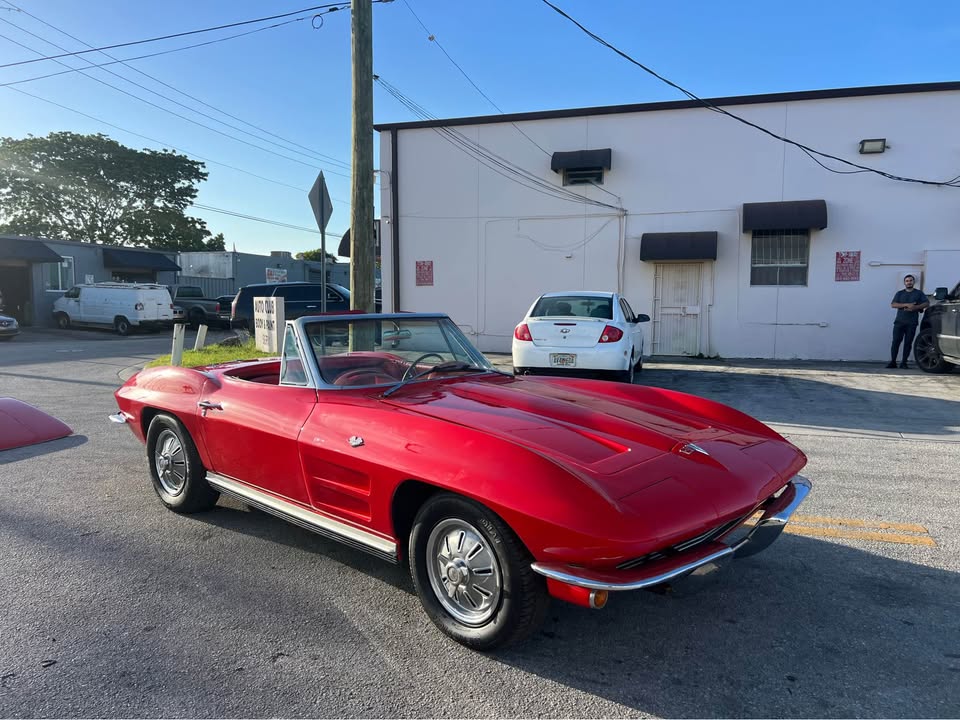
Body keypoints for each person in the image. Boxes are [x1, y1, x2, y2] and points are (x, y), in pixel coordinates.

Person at [887, 274, 928, 369]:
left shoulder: (919, 293)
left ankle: (904, 363)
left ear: (913, 282)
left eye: (911, 280)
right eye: (907, 281)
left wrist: (915, 307)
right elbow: (893, 304)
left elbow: (926, 303)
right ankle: (893, 362)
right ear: (904, 283)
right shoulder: (899, 293)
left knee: (908, 343)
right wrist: (906, 305)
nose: (909, 282)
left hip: (912, 323)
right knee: (895, 342)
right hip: (899, 322)